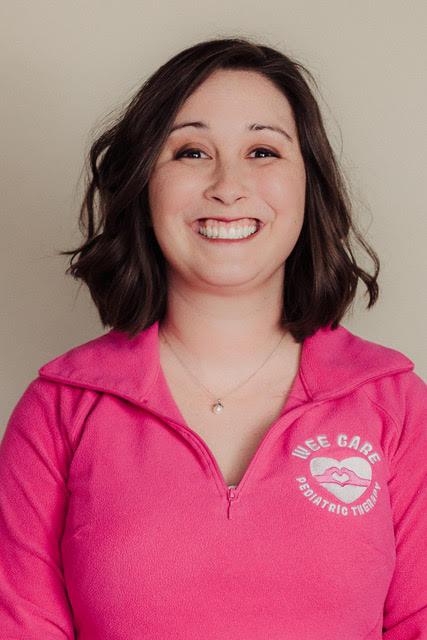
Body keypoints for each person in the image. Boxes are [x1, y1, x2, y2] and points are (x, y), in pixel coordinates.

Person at [0, 37, 425, 639]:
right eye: (193, 151)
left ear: (310, 185)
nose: (229, 185)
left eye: (262, 150)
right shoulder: (59, 410)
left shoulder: (397, 406)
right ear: (146, 186)